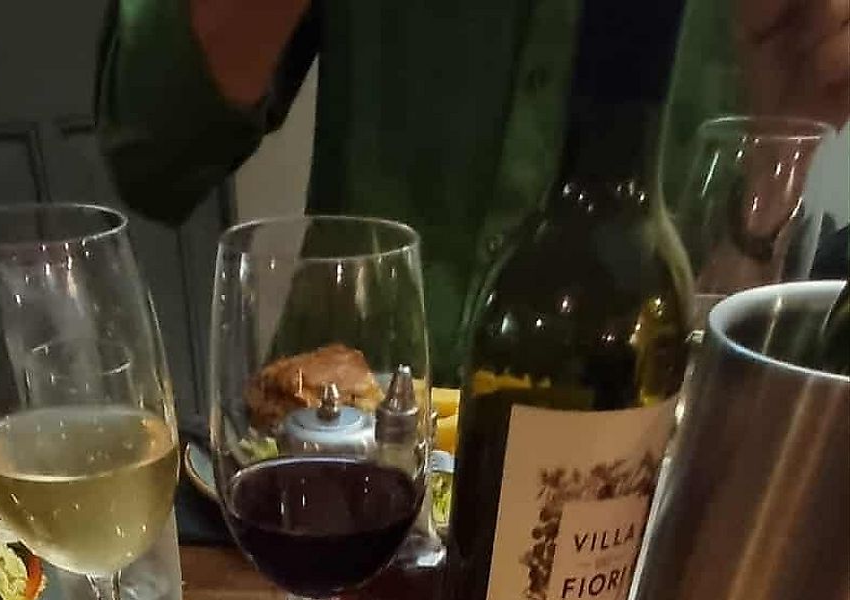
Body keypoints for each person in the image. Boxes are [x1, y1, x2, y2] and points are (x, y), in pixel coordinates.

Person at [98, 0, 850, 380]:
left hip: (639, 471)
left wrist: (776, 154)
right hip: (334, 439)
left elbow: (738, 310)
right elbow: (153, 153)